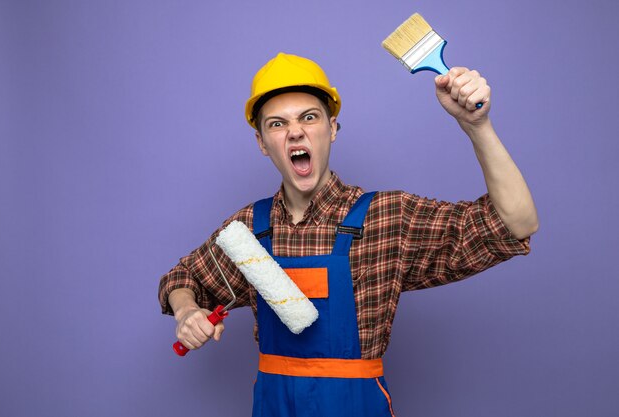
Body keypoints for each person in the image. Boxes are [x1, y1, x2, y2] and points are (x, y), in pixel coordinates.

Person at [158, 52, 538, 416]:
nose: (295, 133)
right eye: (277, 124)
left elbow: (515, 224)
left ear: (332, 129)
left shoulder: (387, 219)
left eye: (309, 117)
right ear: (262, 142)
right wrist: (187, 310)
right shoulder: (250, 231)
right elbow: (181, 278)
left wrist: (478, 126)